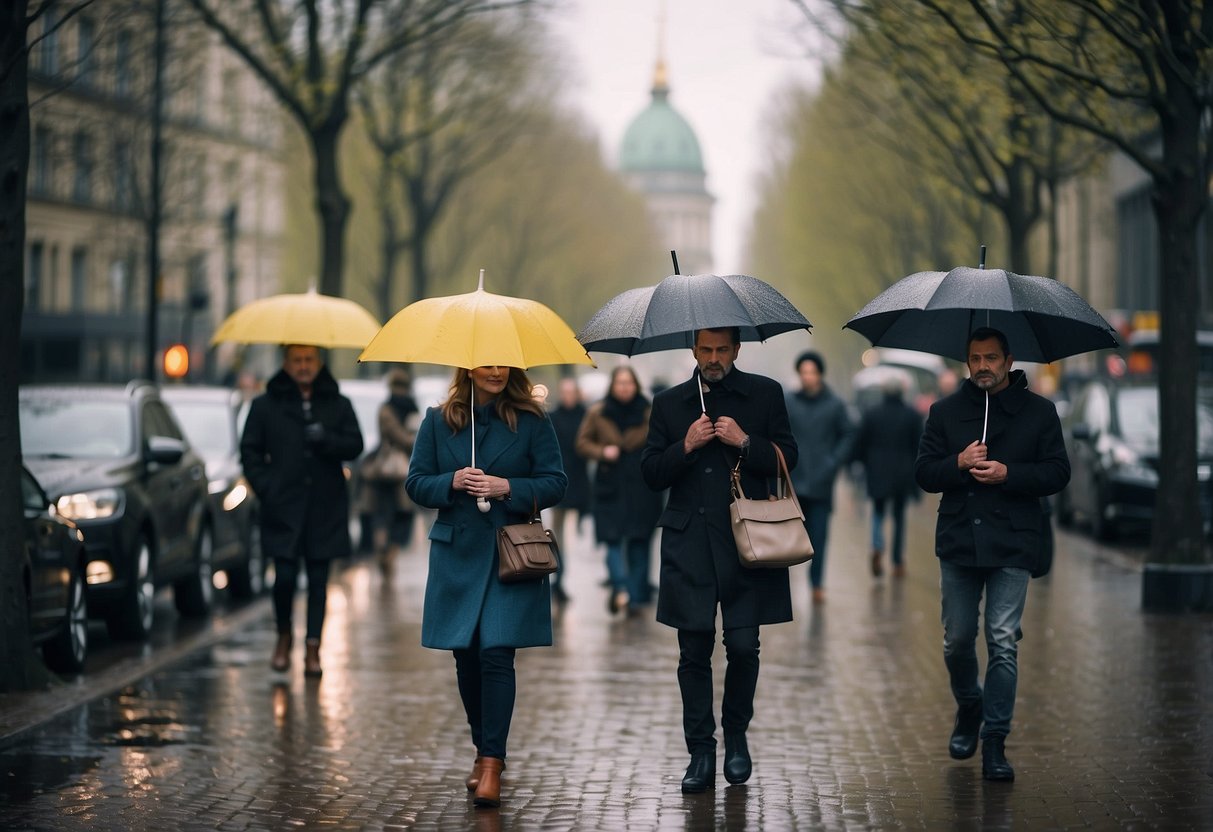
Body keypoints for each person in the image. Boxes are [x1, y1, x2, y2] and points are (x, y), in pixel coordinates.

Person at [641, 327, 798, 793]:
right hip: (689, 544)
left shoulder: (764, 394)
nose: (713, 358)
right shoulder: (669, 404)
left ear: (736, 350)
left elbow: (790, 458)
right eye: (705, 349)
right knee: (693, 652)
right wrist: (685, 445)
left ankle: (736, 736)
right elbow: (650, 473)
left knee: (745, 647)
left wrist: (746, 442)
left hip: (749, 543)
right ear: (693, 350)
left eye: (721, 350)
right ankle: (700, 752)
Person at [405, 364, 567, 808]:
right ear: (469, 367)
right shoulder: (439, 420)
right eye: (486, 362)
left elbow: (556, 482)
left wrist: (506, 486)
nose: (495, 371)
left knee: (496, 653)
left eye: (503, 363)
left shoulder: (532, 419)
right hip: (457, 555)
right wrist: (452, 481)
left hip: (509, 555)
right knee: (466, 657)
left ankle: (493, 761)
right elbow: (415, 483)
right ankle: (482, 747)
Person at [915, 327, 1070, 782]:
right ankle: (969, 704)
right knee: (957, 639)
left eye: (991, 358)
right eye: (975, 358)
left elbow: (1058, 472)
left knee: (1002, 640)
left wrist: (1009, 473)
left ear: (1008, 360)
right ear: (967, 362)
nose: (983, 366)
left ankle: (995, 741)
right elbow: (924, 472)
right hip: (961, 540)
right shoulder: (945, 412)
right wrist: (959, 463)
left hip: (1014, 541)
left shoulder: (1040, 412)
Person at [241, 344, 364, 677]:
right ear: (286, 363)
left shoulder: (338, 403)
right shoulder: (265, 406)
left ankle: (313, 649)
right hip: (282, 508)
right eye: (297, 360)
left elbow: (355, 444)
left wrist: (328, 439)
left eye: (309, 359)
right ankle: (283, 637)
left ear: (319, 362)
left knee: (319, 581)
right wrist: (268, 487)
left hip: (324, 508)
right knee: (283, 578)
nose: (304, 366)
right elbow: (249, 452)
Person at [576, 366, 662, 616]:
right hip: (609, 485)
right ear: (612, 386)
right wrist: (602, 452)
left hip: (642, 485)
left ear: (635, 385)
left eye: (628, 383)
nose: (624, 387)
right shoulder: (598, 411)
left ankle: (635, 598)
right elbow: (582, 443)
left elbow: (661, 440)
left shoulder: (649, 412)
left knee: (639, 540)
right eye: (619, 383)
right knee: (611, 539)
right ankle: (621, 587)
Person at [784, 351, 855, 604]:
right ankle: (783, 587)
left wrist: (833, 461)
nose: (808, 377)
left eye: (812, 372)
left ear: (820, 374)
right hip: (792, 482)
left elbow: (849, 434)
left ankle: (816, 585)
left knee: (819, 538)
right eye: (803, 372)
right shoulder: (788, 401)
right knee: (786, 539)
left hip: (822, 484)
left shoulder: (835, 404)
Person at [852, 375, 923, 578]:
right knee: (899, 518)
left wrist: (858, 465)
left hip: (877, 472)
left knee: (877, 512)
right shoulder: (912, 415)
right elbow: (918, 447)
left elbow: (860, 443)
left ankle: (877, 546)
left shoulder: (872, 414)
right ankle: (898, 561)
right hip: (903, 473)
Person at [363, 367, 419, 578]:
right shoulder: (411, 409)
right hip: (400, 470)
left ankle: (385, 555)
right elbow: (406, 437)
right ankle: (387, 555)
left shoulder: (386, 408)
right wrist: (413, 442)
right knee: (398, 515)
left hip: (384, 469)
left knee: (385, 516)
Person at [547, 377, 590, 604]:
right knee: (558, 534)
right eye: (564, 391)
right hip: (559, 482)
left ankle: (561, 579)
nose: (567, 396)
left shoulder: (586, 415)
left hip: (580, 481)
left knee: (574, 531)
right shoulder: (552, 417)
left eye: (571, 391)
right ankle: (558, 579)